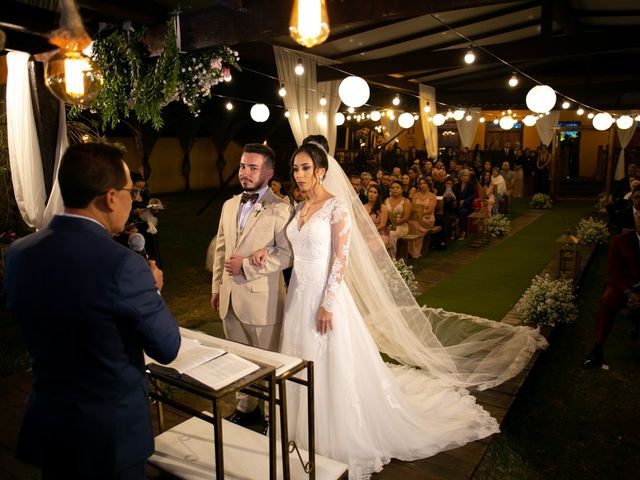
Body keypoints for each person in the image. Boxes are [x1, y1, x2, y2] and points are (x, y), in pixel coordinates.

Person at [250, 140, 546, 479]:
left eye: (305, 168)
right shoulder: (299, 207)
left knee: (330, 361)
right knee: (301, 357)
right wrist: (262, 250)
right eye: (295, 169)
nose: (299, 174)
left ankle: (337, 433)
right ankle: (299, 430)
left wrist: (328, 303)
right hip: (300, 297)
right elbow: (290, 244)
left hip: (324, 298)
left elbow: (341, 258)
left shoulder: (336, 207)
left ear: (320, 170)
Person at [4, 142, 181, 480]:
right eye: (132, 192)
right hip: (109, 434)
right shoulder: (123, 266)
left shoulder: (19, 253)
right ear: (111, 197)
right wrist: (152, 288)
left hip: (51, 423)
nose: (135, 201)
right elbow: (167, 346)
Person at [210, 143, 293, 425]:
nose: (245, 172)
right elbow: (221, 249)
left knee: (267, 362)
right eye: (243, 165)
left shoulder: (281, 209)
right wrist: (216, 288)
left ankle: (273, 415)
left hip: (263, 302)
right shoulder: (229, 204)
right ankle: (246, 408)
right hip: (230, 297)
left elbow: (287, 254)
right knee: (238, 359)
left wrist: (245, 266)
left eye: (253, 167)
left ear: (269, 173)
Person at [583, 185, 640, 368]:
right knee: (608, 299)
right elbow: (613, 273)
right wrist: (629, 294)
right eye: (639, 216)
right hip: (624, 287)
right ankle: (597, 349)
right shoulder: (620, 241)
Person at [407, 177, 436, 259]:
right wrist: (417, 214)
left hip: (427, 218)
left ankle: (415, 251)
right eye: (420, 184)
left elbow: (430, 210)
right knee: (410, 222)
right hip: (416, 217)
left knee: (414, 223)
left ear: (428, 184)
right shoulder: (416, 195)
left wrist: (420, 213)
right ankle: (410, 250)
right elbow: (413, 208)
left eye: (424, 183)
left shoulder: (432, 196)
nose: (422, 185)